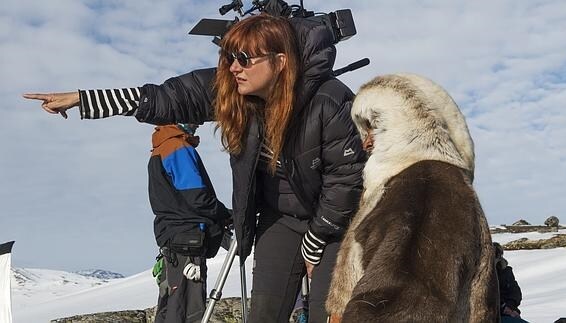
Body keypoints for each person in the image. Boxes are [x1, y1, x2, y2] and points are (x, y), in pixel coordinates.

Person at [24, 13, 365, 323]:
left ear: (280, 62)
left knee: (329, 314)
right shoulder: (235, 94)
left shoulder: (329, 100)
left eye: (244, 59)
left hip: (336, 222)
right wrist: (83, 99)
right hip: (281, 218)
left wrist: (316, 241)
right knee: (264, 313)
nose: (234, 68)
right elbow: (167, 98)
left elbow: (345, 179)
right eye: (230, 58)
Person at [148, 123, 231, 322]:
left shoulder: (161, 148)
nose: (198, 123)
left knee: (171, 306)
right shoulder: (177, 148)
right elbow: (196, 196)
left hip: (173, 239)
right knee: (188, 310)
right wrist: (226, 214)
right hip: (188, 239)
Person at [493, 242, 529, 323]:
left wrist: (510, 307)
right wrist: (503, 308)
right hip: (495, 314)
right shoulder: (483, 273)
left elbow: (515, 293)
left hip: (509, 312)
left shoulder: (506, 271)